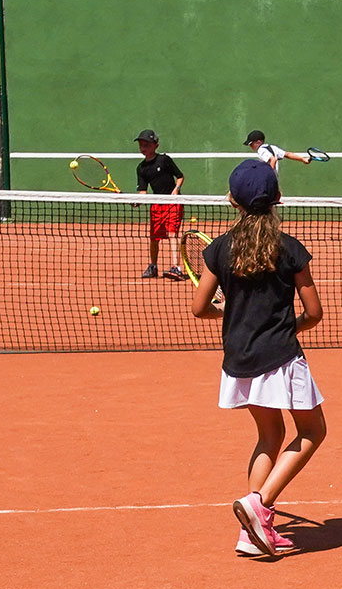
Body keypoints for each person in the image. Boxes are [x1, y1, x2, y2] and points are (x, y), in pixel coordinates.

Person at [190, 159, 327, 558]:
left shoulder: (219, 249)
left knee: (269, 436)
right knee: (313, 432)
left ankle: (252, 531)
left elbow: (199, 308)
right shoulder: (290, 249)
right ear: (277, 198)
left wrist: (227, 310)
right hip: (280, 355)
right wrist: (289, 327)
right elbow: (314, 313)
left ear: (232, 200)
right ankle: (259, 504)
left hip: (240, 359)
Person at [134, 129, 187, 280]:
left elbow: (180, 176)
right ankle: (153, 266)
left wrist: (176, 189)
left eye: (146, 145)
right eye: (141, 145)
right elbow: (143, 192)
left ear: (155, 145)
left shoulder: (164, 160)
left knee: (172, 234)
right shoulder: (141, 168)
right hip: (157, 205)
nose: (143, 148)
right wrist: (136, 201)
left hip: (173, 203)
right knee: (153, 237)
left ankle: (176, 267)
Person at [245, 129, 314, 171]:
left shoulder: (261, 150)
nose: (250, 146)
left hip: (268, 181)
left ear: (258, 142)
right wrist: (303, 159)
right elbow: (287, 154)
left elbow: (273, 159)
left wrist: (269, 176)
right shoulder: (273, 147)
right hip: (274, 181)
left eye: (251, 144)